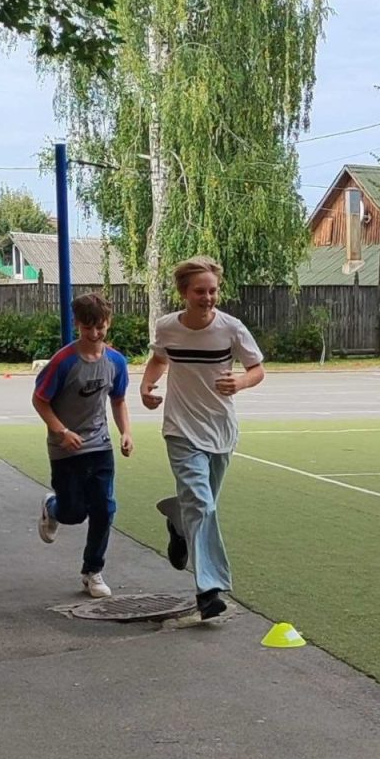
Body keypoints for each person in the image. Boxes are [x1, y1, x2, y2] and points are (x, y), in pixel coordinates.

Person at [140, 256, 265, 619]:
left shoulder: (231, 329)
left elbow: (257, 369)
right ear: (184, 293)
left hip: (220, 429)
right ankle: (209, 590)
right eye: (200, 291)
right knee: (203, 505)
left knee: (202, 504)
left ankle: (178, 522)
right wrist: (147, 386)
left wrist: (240, 381)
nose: (208, 298)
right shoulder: (167, 327)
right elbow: (159, 360)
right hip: (180, 428)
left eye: (213, 291)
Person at [32, 292, 133, 598]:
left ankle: (93, 571)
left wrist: (126, 432)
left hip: (99, 445)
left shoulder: (116, 362)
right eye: (88, 328)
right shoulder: (63, 362)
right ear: (77, 324)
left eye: (100, 327)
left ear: (108, 323)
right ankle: (53, 508)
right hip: (65, 449)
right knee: (74, 512)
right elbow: (40, 400)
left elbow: (118, 400)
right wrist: (62, 431)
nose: (94, 334)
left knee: (104, 508)